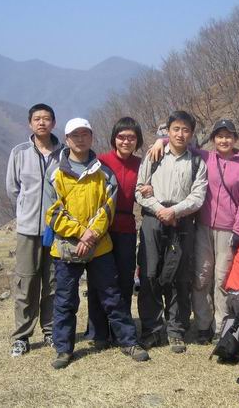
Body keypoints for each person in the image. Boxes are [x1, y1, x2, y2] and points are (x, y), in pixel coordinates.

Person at [45, 118, 149, 369]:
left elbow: (108, 208)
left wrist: (91, 235)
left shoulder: (104, 171)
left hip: (99, 244)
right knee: (65, 299)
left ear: (92, 137)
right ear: (67, 139)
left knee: (112, 295)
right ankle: (63, 349)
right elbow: (52, 211)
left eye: (85, 134)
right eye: (75, 135)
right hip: (67, 247)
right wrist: (81, 234)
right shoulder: (55, 172)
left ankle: (128, 341)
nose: (80, 139)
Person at [148, 119, 239, 343]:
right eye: (220, 136)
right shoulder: (205, 157)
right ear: (213, 139)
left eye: (228, 136)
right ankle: (203, 325)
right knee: (201, 276)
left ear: (235, 139)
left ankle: (221, 326)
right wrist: (162, 140)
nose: (224, 140)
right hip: (203, 226)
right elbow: (180, 142)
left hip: (229, 229)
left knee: (222, 278)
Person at [135, 110, 207, 353]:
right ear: (168, 131)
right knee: (150, 274)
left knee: (180, 277)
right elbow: (139, 190)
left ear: (192, 134)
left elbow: (198, 197)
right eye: (176, 129)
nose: (180, 134)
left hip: (182, 221)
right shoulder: (153, 155)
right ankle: (152, 330)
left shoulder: (197, 162)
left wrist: (174, 211)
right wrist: (160, 210)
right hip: (153, 219)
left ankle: (176, 330)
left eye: (185, 130)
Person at [5, 103, 64, 357]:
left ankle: (50, 330)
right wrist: (26, 209)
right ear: (30, 123)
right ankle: (22, 336)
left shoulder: (63, 153)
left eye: (46, 118)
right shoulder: (19, 152)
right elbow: (13, 188)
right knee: (26, 282)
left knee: (52, 282)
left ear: (53, 123)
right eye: (37, 119)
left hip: (56, 229)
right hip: (28, 230)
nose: (42, 122)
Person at [86, 117, 147, 347]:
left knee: (124, 280)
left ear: (137, 140)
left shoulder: (141, 164)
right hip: (102, 227)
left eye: (131, 137)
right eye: (121, 137)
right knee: (98, 280)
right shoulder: (101, 161)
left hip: (126, 227)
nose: (126, 141)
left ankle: (121, 330)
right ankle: (98, 332)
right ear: (114, 138)